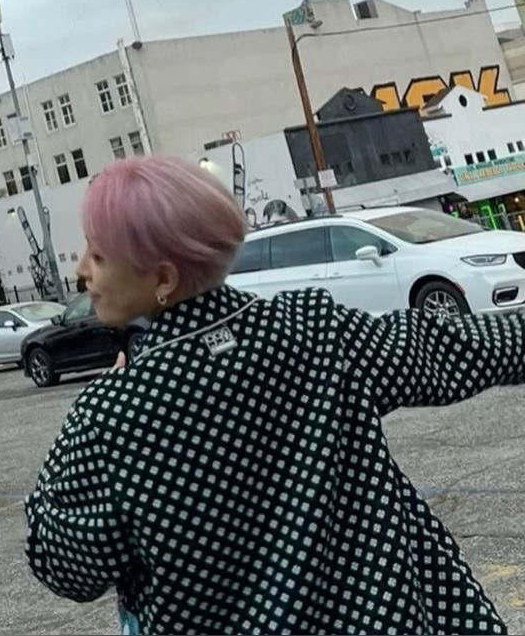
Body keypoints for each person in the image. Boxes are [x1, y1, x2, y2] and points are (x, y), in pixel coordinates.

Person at [26, 155, 523, 635]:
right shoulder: (315, 329)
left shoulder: (111, 416)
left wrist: (67, 460)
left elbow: (66, 567)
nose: (82, 271)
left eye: (98, 255)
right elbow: (458, 349)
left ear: (163, 278)